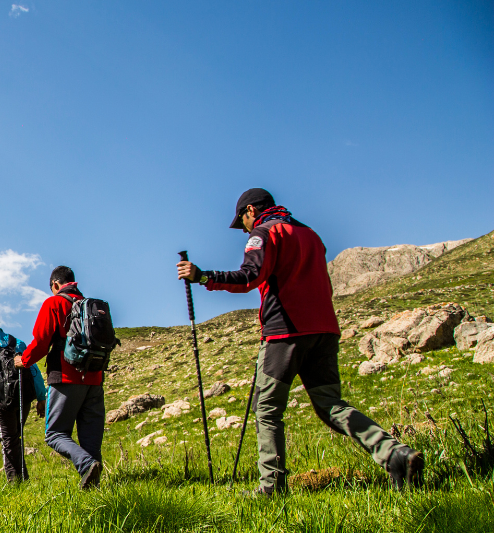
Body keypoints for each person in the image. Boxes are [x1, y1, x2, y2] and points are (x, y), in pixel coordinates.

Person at [176, 187, 424, 495]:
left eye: (242, 222)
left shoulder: (264, 234)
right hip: (324, 330)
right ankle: (394, 454)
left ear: (251, 210)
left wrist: (202, 276)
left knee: (267, 408)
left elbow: (249, 277)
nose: (244, 230)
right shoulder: (310, 234)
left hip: (286, 332)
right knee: (331, 404)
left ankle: (271, 488)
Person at [14, 266, 107, 489]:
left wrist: (24, 361)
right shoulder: (89, 305)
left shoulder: (54, 303)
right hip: (94, 378)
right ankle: (95, 491)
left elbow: (41, 341)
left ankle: (86, 465)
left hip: (65, 376)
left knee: (54, 433)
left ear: (56, 284)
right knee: (90, 439)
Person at [0, 312, 46, 482]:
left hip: (0, 398)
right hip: (22, 397)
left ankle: (15, 483)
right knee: (15, 439)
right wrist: (41, 397)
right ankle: (23, 480)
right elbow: (33, 368)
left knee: (8, 441)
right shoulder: (16, 341)